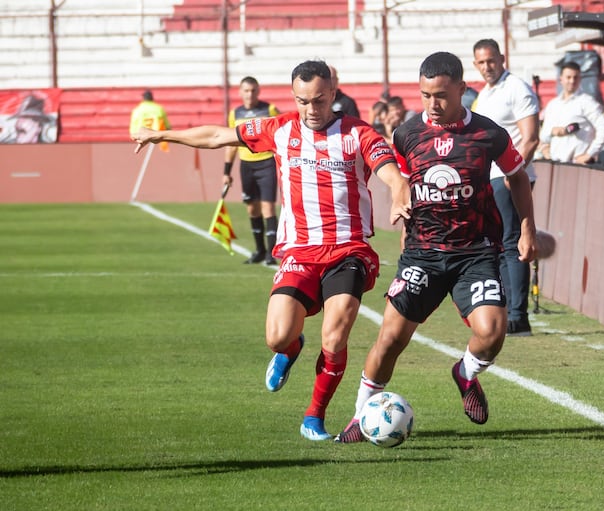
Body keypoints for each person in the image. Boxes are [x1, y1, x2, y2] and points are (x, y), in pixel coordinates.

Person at [131, 60, 412, 442]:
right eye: (301, 101)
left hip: (348, 250)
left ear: (332, 92)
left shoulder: (357, 133)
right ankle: (290, 349)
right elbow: (218, 136)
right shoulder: (279, 128)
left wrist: (398, 197)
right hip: (298, 250)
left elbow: (392, 173)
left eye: (318, 100)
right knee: (277, 336)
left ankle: (314, 417)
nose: (311, 109)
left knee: (335, 335)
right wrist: (161, 134)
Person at [335, 51, 537, 443]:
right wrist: (400, 207)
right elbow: (400, 182)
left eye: (442, 95)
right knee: (390, 339)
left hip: (475, 252)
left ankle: (465, 373)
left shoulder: (489, 133)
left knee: (494, 332)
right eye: (426, 95)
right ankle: (360, 416)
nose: (433, 104)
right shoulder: (407, 134)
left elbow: (517, 177)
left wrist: (527, 226)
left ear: (462, 89)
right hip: (423, 253)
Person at [471, 38, 540, 336]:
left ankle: (517, 316)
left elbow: (531, 137)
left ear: (502, 58)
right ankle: (507, 310)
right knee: (499, 245)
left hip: (508, 176)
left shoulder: (517, 88)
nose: (487, 67)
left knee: (512, 243)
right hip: (492, 177)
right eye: (481, 63)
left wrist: (515, 174)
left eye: (491, 61)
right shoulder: (485, 94)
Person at [223, 76, 281, 265]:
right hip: (246, 165)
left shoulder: (269, 110)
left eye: (253, 90)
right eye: (246, 90)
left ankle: (272, 253)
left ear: (258, 91)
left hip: (266, 163)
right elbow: (231, 144)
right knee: (252, 209)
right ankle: (259, 250)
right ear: (240, 92)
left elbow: (281, 132)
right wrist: (226, 172)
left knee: (268, 208)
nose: (250, 94)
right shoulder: (235, 113)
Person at [539, 61, 604, 164]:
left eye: (575, 77)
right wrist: (553, 132)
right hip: (555, 164)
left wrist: (589, 154)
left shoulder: (586, 102)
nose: (572, 81)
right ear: (561, 79)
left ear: (580, 79)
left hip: (577, 166)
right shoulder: (553, 105)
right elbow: (543, 136)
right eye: (568, 77)